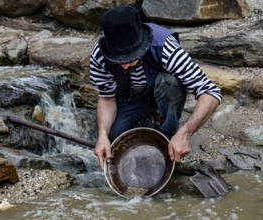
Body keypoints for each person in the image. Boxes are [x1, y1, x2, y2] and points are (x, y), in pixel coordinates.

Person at [89, 6, 222, 170]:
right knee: (115, 140)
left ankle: (169, 133)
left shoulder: (164, 46)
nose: (125, 65)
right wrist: (102, 135)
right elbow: (106, 98)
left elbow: (210, 92)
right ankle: (147, 120)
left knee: (170, 82)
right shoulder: (99, 56)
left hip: (162, 90)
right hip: (129, 98)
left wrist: (186, 132)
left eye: (131, 57)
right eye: (119, 60)